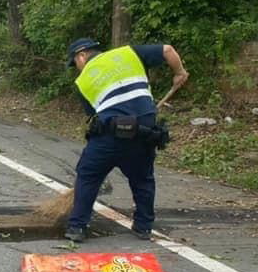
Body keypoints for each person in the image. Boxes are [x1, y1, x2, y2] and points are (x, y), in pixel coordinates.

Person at [64, 38, 189, 242]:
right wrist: (179, 72)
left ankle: (77, 227)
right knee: (142, 179)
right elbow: (168, 50)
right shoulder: (128, 53)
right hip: (145, 132)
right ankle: (143, 227)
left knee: (88, 175)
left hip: (109, 135)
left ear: (82, 56)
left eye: (75, 63)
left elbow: (94, 115)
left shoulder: (82, 81)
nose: (77, 68)